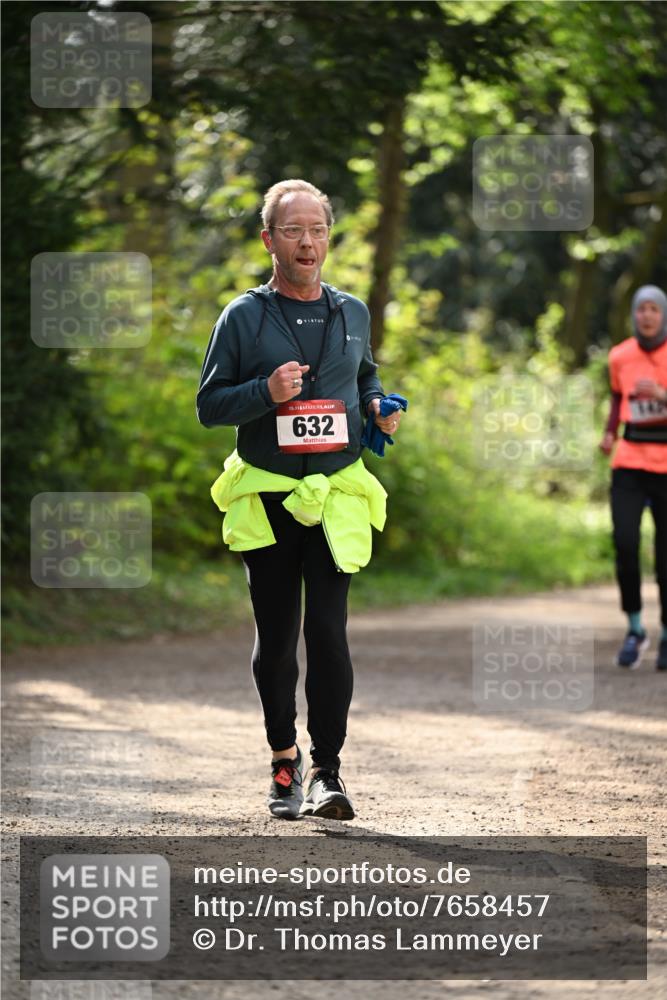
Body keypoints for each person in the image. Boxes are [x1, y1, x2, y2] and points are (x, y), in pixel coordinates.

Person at [196, 179, 403, 819]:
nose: (307, 241)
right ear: (269, 241)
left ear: (328, 237)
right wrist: (265, 391)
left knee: (330, 633)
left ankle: (329, 773)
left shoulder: (353, 312)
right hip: (270, 496)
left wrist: (375, 405)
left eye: (317, 229)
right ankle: (284, 761)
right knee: (280, 637)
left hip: (337, 492)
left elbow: (363, 372)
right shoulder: (243, 316)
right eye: (293, 230)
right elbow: (209, 406)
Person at [599, 284, 667, 671]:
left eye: (654, 309)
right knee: (625, 544)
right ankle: (635, 628)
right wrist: (610, 432)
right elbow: (616, 398)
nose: (646, 315)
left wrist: (661, 393)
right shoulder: (620, 355)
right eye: (641, 309)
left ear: (663, 314)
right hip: (629, 462)